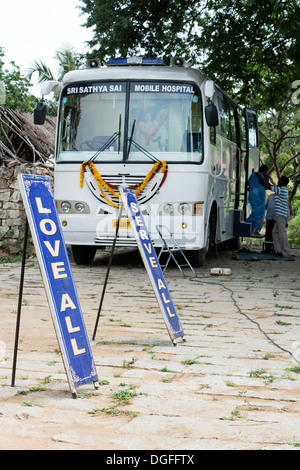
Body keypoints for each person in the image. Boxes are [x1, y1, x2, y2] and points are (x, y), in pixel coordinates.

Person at [245, 165, 269, 234]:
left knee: (255, 213)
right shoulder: (263, 176)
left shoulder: (253, 175)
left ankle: (247, 225)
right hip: (259, 198)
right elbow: (267, 186)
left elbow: (248, 182)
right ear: (264, 171)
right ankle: (255, 229)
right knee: (260, 215)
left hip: (252, 197)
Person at [271, 176, 291, 257]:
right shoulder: (280, 190)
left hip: (281, 216)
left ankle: (286, 252)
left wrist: (261, 179)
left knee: (282, 233)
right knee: (274, 232)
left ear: (282, 182)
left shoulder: (282, 190)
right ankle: (278, 250)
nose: (278, 182)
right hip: (279, 216)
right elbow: (270, 186)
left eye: (279, 180)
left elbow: (269, 187)